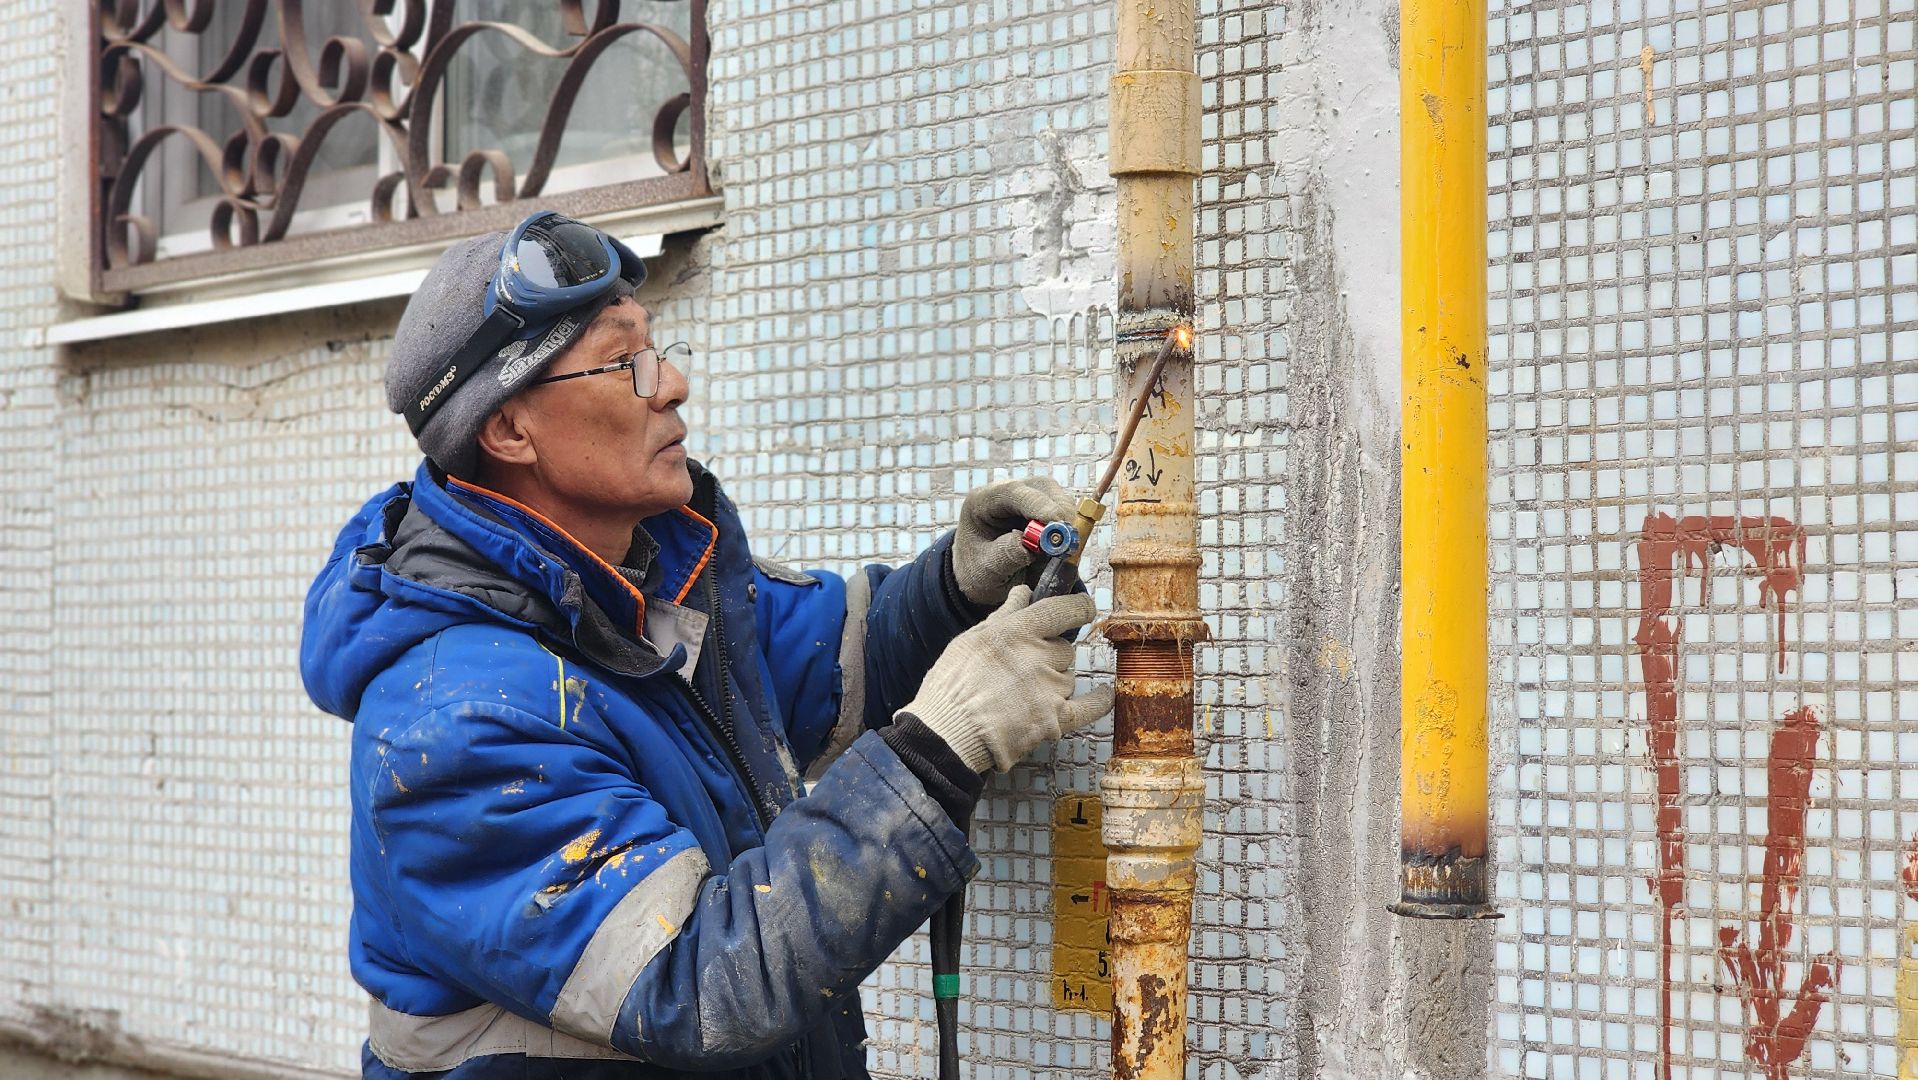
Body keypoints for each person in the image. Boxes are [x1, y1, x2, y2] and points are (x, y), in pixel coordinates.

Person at [299, 210, 1114, 1079]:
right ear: (509, 432)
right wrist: (942, 751)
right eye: (626, 361)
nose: (673, 382)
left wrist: (955, 589)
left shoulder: (646, 592)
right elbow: (696, 984)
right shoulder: (453, 722)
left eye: (661, 348)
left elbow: (832, 666)